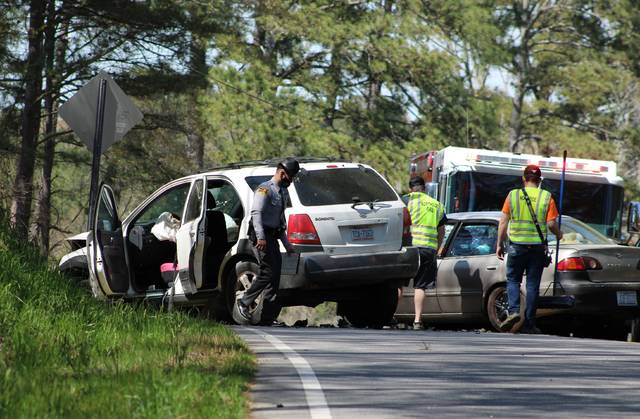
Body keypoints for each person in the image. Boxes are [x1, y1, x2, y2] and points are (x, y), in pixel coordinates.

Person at [496, 164, 563, 334]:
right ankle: (529, 324)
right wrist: (559, 234)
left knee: (513, 280)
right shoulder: (547, 197)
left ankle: (513, 312)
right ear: (539, 180)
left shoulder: (513, 195)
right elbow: (550, 224)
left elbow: (503, 222)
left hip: (517, 246)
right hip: (537, 248)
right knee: (533, 285)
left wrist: (499, 244)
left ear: (523, 178)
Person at [236, 158, 299, 324]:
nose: (291, 180)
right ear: (281, 172)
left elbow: (280, 222)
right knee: (267, 272)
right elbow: (256, 213)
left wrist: (287, 245)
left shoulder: (283, 192)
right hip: (260, 236)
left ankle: (268, 317)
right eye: (290, 177)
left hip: (272, 237)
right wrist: (261, 237)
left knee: (275, 274)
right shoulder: (265, 189)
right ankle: (244, 302)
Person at [406, 176, 446, 330]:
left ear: (411, 189)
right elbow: (441, 230)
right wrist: (437, 248)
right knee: (420, 286)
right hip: (428, 249)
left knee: (397, 284)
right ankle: (417, 321)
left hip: (408, 248)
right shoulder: (436, 204)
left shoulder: (405, 201)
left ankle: (389, 317)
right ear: (424, 188)